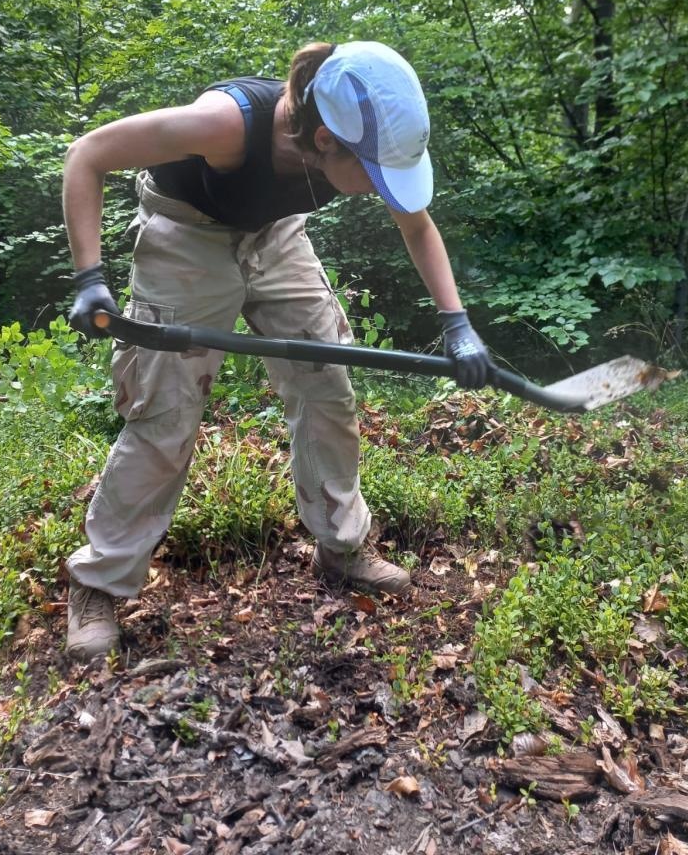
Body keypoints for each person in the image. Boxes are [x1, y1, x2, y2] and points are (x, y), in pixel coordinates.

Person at [63, 40, 496, 659]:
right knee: (166, 412)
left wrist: (458, 324)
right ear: (324, 143)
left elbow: (418, 223)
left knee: (327, 384)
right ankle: (98, 584)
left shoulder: (341, 138)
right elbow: (88, 154)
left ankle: (342, 547)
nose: (379, 188)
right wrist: (88, 277)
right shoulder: (225, 124)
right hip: (186, 232)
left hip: (274, 237)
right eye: (372, 173)